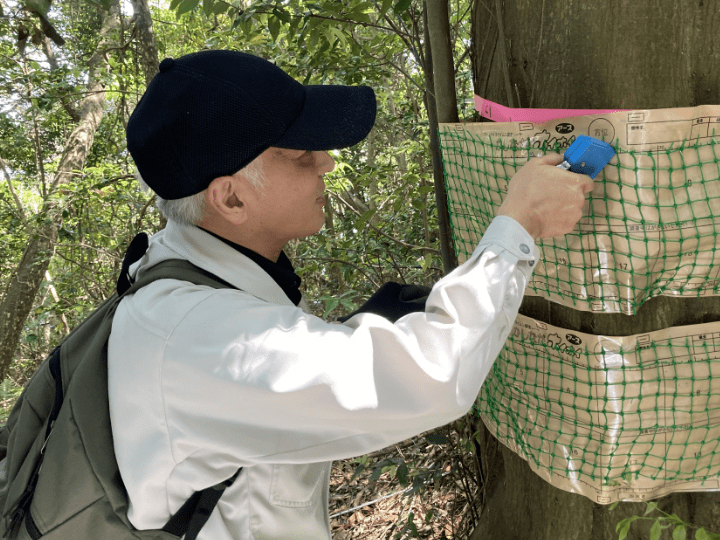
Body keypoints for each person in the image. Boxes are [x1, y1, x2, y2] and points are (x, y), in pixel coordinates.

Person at [111, 49, 594, 540]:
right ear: (231, 197)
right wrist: (521, 224)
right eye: (301, 155)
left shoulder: (183, 271)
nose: (326, 161)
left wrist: (346, 336)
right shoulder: (200, 339)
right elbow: (431, 376)